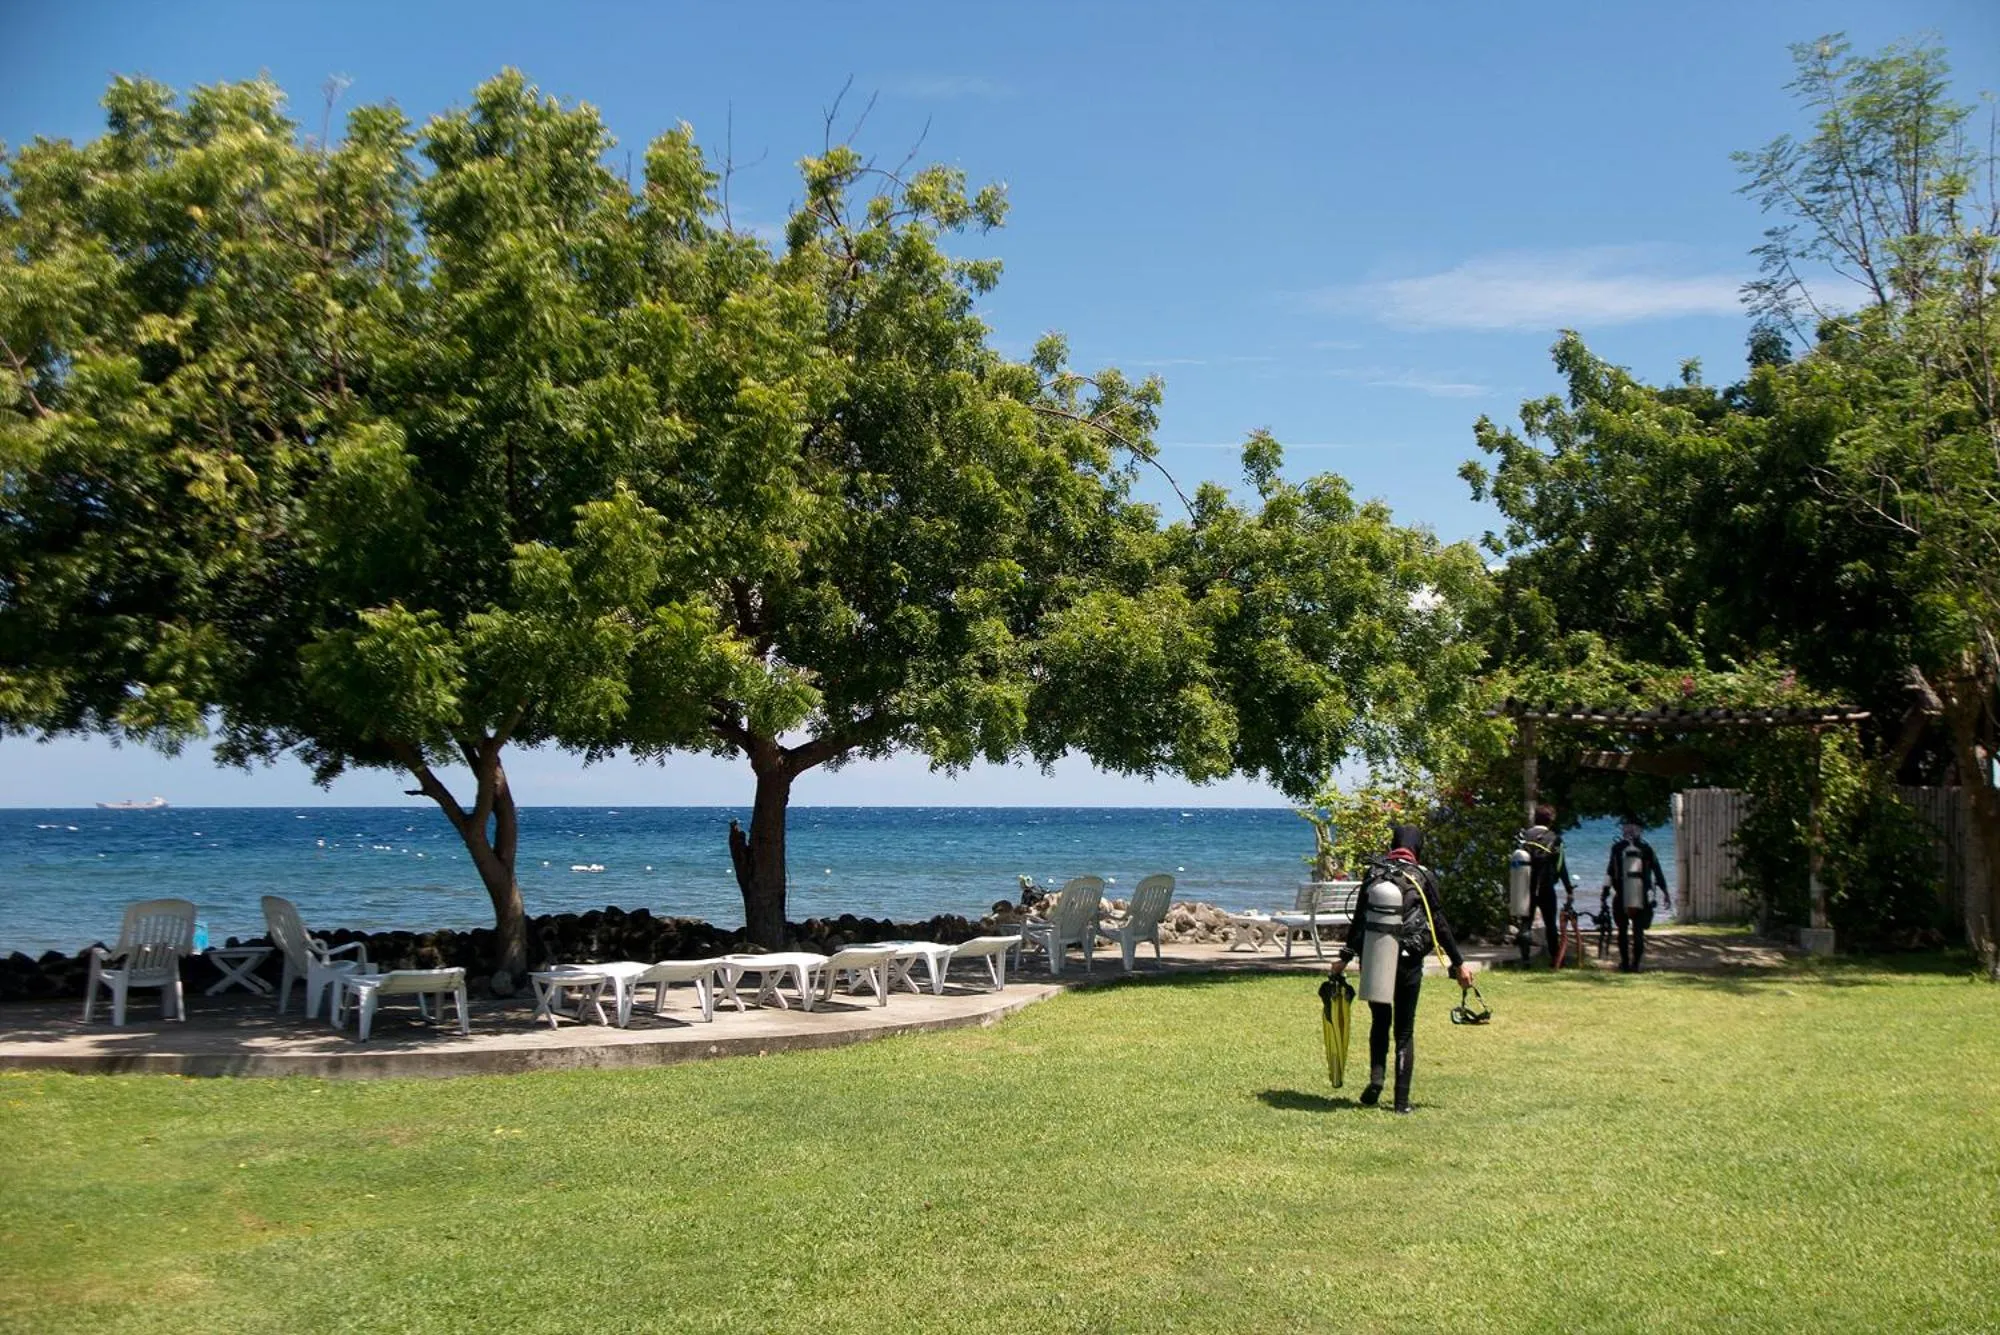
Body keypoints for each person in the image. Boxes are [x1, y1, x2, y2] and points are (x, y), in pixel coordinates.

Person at [1329, 825, 1475, 1114]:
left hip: (1375, 957)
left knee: (1379, 1021)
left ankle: (1376, 1080)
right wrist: (1459, 964)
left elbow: (1359, 921)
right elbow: (1439, 924)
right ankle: (1401, 1103)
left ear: (1393, 844)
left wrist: (1344, 958)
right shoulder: (1423, 877)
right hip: (1408, 960)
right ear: (1417, 847)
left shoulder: (1375, 874)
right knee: (1404, 1031)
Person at [1604, 820, 1671, 972]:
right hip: (1642, 895)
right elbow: (1657, 871)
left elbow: (1609, 871)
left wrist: (1605, 892)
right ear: (1640, 831)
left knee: (1622, 931)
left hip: (1621, 895)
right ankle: (1636, 964)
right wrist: (1665, 892)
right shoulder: (1647, 848)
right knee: (1638, 931)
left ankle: (1625, 963)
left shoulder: (1617, 848)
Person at [1517, 804, 1574, 967]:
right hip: (1546, 886)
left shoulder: (1524, 836)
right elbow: (1561, 866)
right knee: (1550, 924)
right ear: (1551, 820)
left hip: (1526, 886)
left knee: (1526, 923)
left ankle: (1525, 960)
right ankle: (1555, 960)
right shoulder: (1554, 838)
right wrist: (1569, 889)